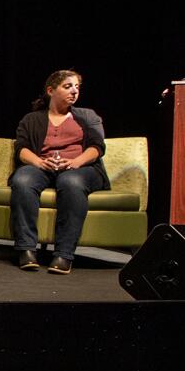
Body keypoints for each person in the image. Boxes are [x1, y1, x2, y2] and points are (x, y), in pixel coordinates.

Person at [9, 69, 110, 275]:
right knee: (23, 179)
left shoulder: (87, 116)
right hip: (44, 166)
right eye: (68, 86)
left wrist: (75, 162)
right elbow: (22, 148)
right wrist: (38, 162)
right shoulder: (32, 119)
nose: (74, 91)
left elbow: (97, 147)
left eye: (77, 87)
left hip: (81, 168)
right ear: (50, 90)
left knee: (71, 182)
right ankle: (26, 249)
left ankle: (64, 254)